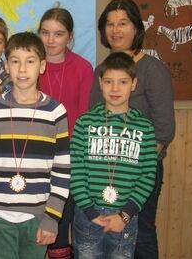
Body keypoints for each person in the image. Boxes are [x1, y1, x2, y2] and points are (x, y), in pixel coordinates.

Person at [89, 0, 175, 259]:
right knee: (106, 233)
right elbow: (93, 119)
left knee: (142, 232)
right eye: (110, 24)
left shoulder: (152, 69)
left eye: (123, 23)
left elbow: (163, 130)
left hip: (140, 173)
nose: (115, 30)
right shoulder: (101, 70)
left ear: (136, 28)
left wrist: (139, 170)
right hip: (104, 172)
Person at [0, 32, 70, 259]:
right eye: (15, 62)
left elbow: (62, 170)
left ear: (42, 66)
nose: (23, 70)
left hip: (39, 216)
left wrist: (52, 217)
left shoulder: (56, 112)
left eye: (30, 61)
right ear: (7, 66)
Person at [71, 52, 157, 259]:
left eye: (123, 82)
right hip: (87, 214)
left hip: (125, 216)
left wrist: (125, 215)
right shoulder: (85, 123)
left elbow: (147, 176)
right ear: (100, 83)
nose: (115, 89)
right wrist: (91, 212)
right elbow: (76, 171)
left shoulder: (145, 127)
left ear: (134, 84)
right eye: (109, 81)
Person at [37, 8, 94, 259]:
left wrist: (61, 154)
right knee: (34, 227)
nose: (51, 40)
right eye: (45, 33)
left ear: (69, 37)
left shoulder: (82, 68)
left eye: (58, 34)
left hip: (67, 159)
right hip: (34, 158)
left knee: (60, 224)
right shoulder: (30, 64)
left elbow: (83, 117)